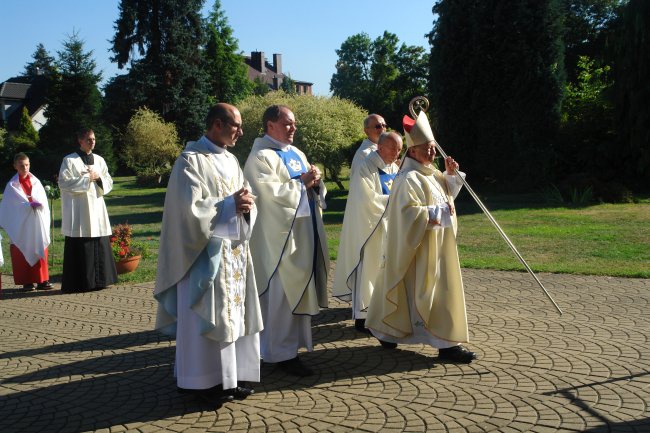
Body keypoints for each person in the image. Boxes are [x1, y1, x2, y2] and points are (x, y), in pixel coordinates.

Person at [154, 103, 262, 405]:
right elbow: (189, 210)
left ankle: (230, 378)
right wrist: (230, 205)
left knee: (233, 317)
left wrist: (247, 206)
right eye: (235, 125)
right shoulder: (189, 161)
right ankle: (199, 381)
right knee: (208, 316)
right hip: (202, 256)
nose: (240, 131)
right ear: (216, 124)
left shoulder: (232, 160)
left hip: (234, 253)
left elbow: (245, 195)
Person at [365, 111, 478, 363]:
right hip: (416, 251)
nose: (433, 153)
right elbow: (407, 215)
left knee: (441, 293)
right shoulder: (408, 178)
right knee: (415, 294)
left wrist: (450, 177)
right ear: (413, 151)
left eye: (433, 148)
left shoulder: (434, 175)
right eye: (427, 148)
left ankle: (440, 342)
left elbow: (446, 200)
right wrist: (439, 212)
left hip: (439, 249)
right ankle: (396, 334)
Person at [243, 105, 329, 377]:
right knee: (280, 297)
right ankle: (277, 352)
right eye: (288, 124)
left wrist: (315, 183)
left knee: (297, 295)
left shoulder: (297, 153)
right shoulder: (259, 157)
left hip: (301, 238)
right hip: (279, 242)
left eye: (294, 124)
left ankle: (292, 348)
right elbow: (268, 197)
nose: (294, 128)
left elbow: (307, 188)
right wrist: (301, 184)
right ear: (270, 125)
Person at [333, 132, 402, 333]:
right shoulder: (366, 167)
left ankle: (381, 311)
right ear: (380, 148)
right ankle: (363, 317)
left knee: (384, 272)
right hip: (370, 230)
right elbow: (366, 200)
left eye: (399, 149)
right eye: (393, 148)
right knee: (369, 271)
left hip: (390, 228)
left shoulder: (393, 167)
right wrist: (397, 202)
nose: (397, 153)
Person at [58, 128, 117, 293]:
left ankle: (101, 280)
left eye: (94, 139)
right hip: (80, 209)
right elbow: (64, 183)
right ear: (80, 141)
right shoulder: (69, 160)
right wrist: (86, 178)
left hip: (97, 207)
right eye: (89, 139)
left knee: (99, 240)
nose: (92, 142)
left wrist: (98, 178)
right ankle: (81, 282)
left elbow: (109, 181)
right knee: (81, 242)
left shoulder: (99, 160)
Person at [0, 153, 53, 291]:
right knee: (23, 248)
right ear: (15, 166)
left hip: (37, 221)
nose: (25, 168)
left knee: (40, 245)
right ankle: (27, 281)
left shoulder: (36, 182)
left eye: (27, 165)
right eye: (21, 165)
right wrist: (27, 206)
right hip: (21, 225)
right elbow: (9, 207)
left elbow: (43, 201)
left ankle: (42, 280)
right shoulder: (12, 186)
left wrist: (39, 204)